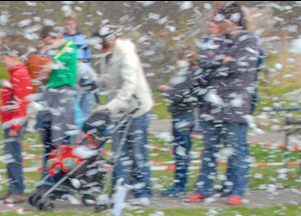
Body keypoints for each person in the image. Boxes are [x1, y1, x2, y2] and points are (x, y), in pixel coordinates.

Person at [187, 2, 262, 206]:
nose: (220, 24)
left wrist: (218, 62)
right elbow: (203, 60)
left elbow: (239, 66)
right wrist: (223, 59)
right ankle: (203, 189)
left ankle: (236, 191)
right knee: (209, 149)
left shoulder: (250, 40)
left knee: (236, 149)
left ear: (234, 21)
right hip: (212, 105)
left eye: (224, 20)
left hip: (236, 105)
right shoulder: (216, 40)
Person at [93, 24, 155, 204]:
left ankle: (143, 192)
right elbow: (109, 79)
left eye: (104, 44)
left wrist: (109, 107)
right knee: (118, 152)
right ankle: (120, 193)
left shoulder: (126, 53)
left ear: (112, 39)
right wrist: (94, 83)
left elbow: (129, 84)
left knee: (137, 151)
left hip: (137, 108)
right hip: (119, 110)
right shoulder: (106, 54)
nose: (102, 48)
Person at [159, 50, 207, 197]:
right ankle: (179, 184)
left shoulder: (189, 75)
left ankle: (180, 185)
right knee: (180, 150)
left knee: (181, 151)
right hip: (181, 114)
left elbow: (182, 95)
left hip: (184, 115)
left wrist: (168, 91)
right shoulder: (187, 75)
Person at [36, 27, 78, 174]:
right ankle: (47, 180)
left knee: (60, 141)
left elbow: (50, 65)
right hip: (51, 97)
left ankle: (60, 182)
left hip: (62, 99)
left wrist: (44, 68)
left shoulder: (69, 48)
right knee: (47, 137)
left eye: (50, 43)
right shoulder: (55, 52)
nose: (49, 46)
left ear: (58, 37)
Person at [0, 49, 32, 203]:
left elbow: (20, 102)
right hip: (10, 121)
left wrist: (14, 126)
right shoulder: (15, 75)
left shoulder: (20, 75)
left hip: (15, 122)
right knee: (10, 156)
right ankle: (13, 189)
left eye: (4, 58)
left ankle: (17, 191)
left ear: (14, 57)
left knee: (14, 156)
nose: (3, 61)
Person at [63, 15, 97, 120]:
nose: (68, 26)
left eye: (70, 24)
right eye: (66, 24)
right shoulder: (63, 39)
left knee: (85, 101)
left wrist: (87, 71)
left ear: (75, 24)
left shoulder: (82, 38)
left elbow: (88, 56)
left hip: (83, 70)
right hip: (71, 72)